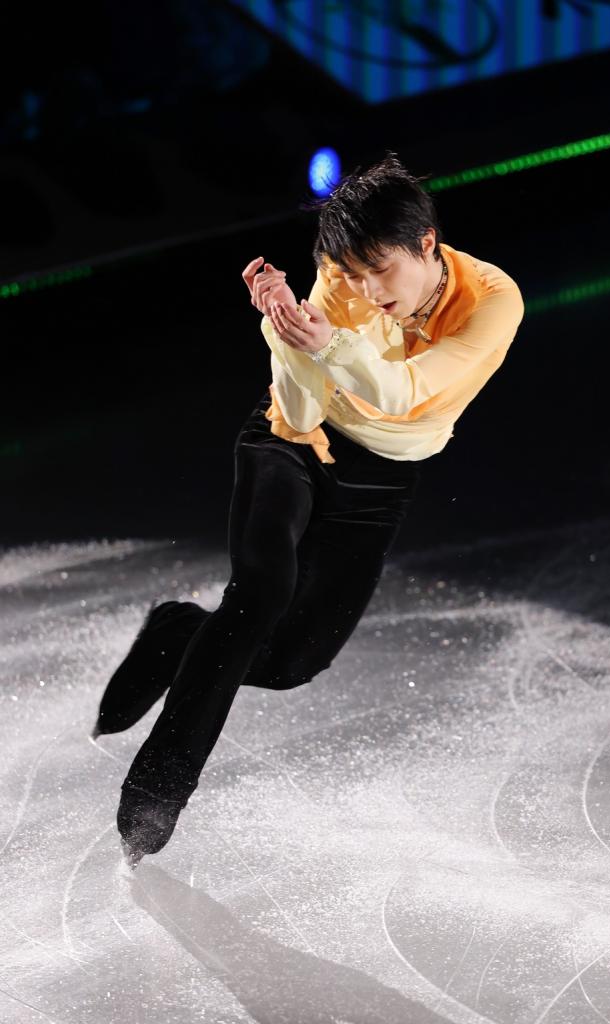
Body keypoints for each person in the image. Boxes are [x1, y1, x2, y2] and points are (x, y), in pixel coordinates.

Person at [94, 152, 525, 868]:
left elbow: (404, 393)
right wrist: (282, 332)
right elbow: (297, 401)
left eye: (378, 269)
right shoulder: (342, 276)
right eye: (349, 273)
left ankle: (176, 631)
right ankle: (157, 792)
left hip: (382, 474)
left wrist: (325, 342)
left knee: (293, 663)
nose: (362, 287)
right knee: (259, 593)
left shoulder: (492, 300)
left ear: (427, 243)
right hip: (291, 441)